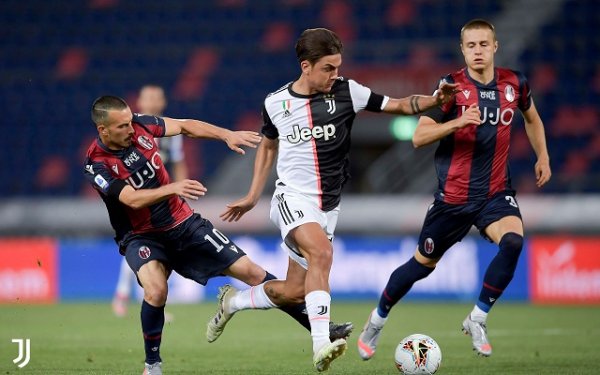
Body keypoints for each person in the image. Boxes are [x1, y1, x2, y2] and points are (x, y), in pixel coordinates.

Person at [208, 28, 458, 372]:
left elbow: (398, 105)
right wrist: (253, 194)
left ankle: (233, 301)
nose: (335, 75)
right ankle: (321, 345)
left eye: (338, 67)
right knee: (322, 253)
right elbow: (268, 144)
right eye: (328, 68)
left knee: (295, 291)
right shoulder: (276, 102)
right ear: (306, 66)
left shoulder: (348, 92)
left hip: (328, 206)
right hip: (292, 198)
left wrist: (435, 100)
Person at [84, 95, 352, 375]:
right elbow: (132, 199)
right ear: (103, 130)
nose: (130, 128)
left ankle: (322, 329)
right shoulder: (96, 164)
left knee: (253, 272)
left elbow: (186, 126)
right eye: (122, 126)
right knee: (156, 290)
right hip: (142, 236)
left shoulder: (142, 125)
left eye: (130, 122)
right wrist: (172, 188)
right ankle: (152, 365)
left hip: (184, 224)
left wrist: (227, 135)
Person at [357, 19, 551, 360]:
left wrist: (543, 157)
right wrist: (458, 121)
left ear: (495, 47)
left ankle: (478, 317)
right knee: (421, 265)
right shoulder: (450, 88)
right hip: (453, 199)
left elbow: (532, 117)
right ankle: (376, 320)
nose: (478, 50)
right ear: (463, 50)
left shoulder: (514, 83)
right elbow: (418, 137)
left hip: (495, 193)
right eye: (471, 45)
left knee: (514, 241)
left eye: (483, 44)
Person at [112, 85, 188, 318]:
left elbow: (178, 162)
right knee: (143, 245)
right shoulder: (129, 131)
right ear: (140, 102)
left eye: (157, 97)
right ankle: (136, 297)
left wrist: (181, 191)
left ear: (163, 102)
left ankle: (127, 296)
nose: (153, 102)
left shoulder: (169, 131)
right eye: (149, 98)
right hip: (136, 198)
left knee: (149, 248)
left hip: (161, 198)